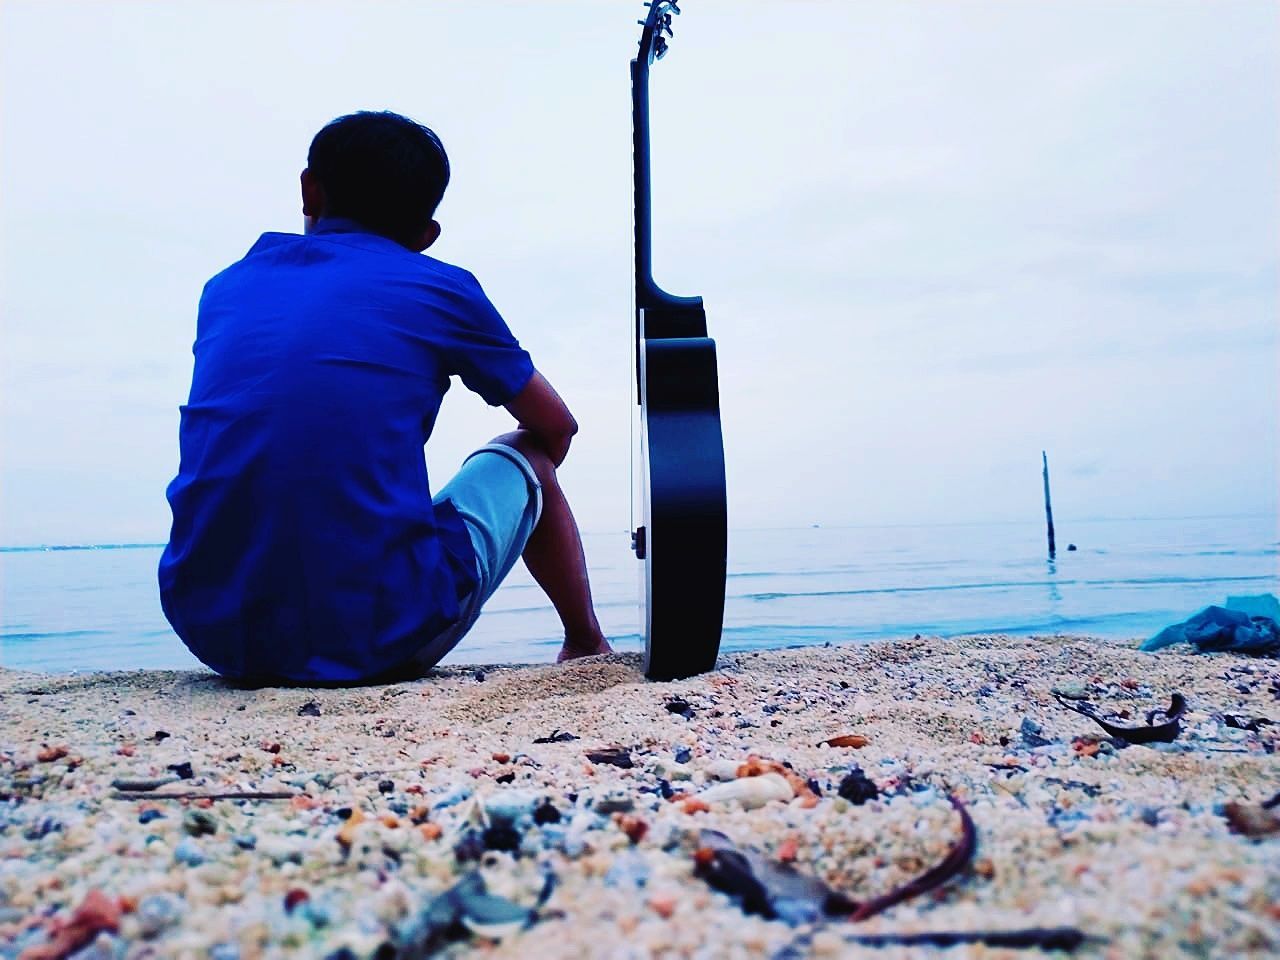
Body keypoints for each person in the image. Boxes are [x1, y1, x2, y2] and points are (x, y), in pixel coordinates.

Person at [159, 110, 612, 684]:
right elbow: (557, 427)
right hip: (380, 636)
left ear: (309, 188)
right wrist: (527, 496)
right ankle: (586, 643)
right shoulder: (440, 285)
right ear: (427, 237)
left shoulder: (225, 288)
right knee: (524, 452)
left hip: (213, 631)